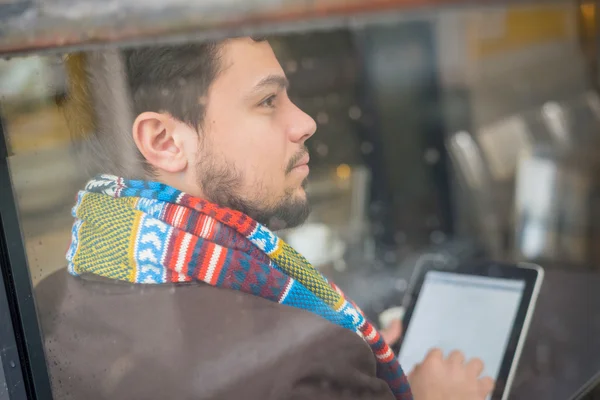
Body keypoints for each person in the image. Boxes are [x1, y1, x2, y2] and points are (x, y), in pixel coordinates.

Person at [35, 37, 494, 400]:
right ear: (165, 141)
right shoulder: (307, 362)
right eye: (268, 101)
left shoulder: (50, 301)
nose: (305, 122)